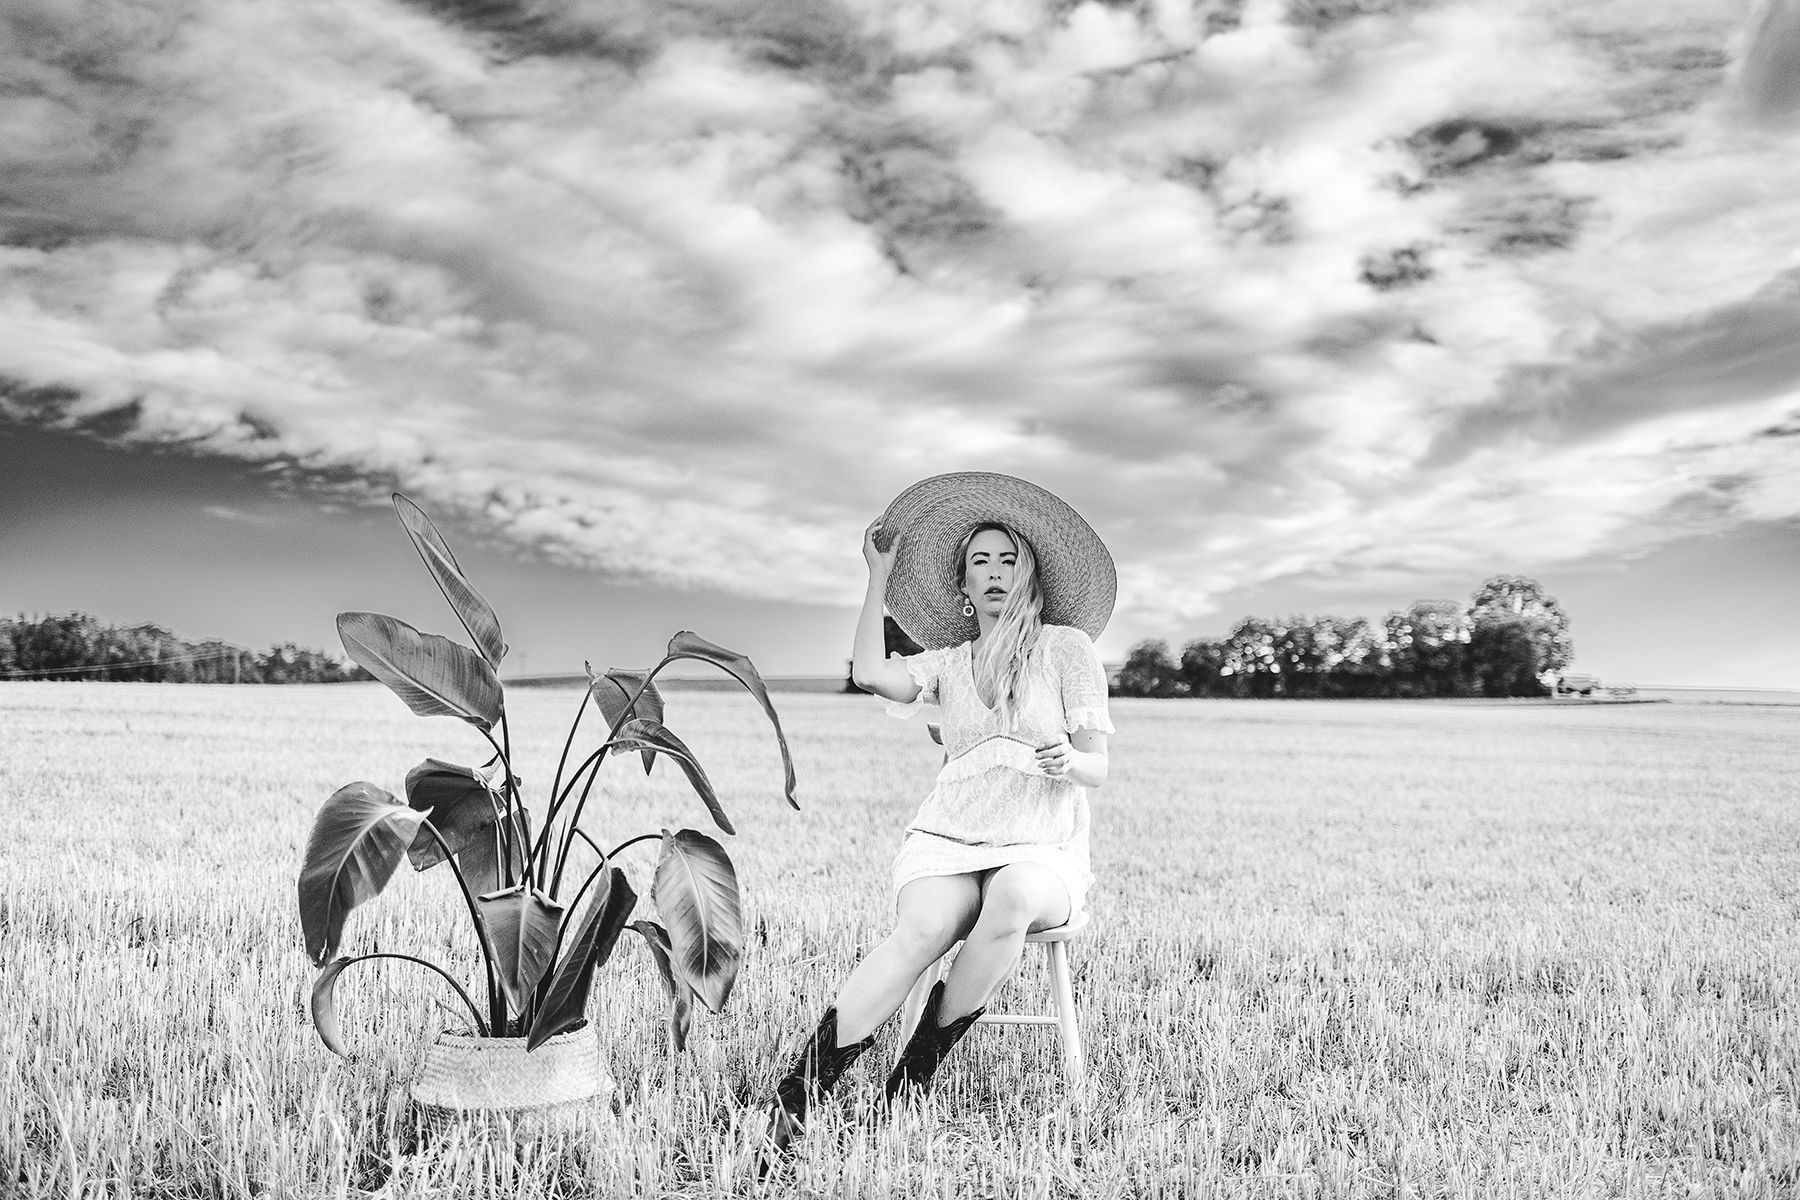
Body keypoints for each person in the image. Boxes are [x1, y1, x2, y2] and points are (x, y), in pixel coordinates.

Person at [762, 471, 1117, 1157]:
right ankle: (799, 1097)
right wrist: (877, 577)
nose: (993, 573)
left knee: (1010, 894)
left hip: (1041, 849)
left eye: (1008, 559)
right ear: (961, 584)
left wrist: (1067, 763)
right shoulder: (949, 665)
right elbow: (871, 672)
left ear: (1032, 573)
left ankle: (911, 1080)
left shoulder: (1066, 651)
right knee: (923, 926)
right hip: (949, 838)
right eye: (979, 562)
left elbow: (1097, 765)